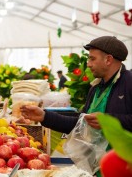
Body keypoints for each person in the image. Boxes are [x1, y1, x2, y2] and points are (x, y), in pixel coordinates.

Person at [20, 36, 132, 176]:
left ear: (108, 60)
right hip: (97, 168)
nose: (88, 64)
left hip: (124, 167)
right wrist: (44, 116)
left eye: (92, 59)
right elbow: (80, 124)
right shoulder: (96, 88)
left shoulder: (129, 83)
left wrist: (108, 120)